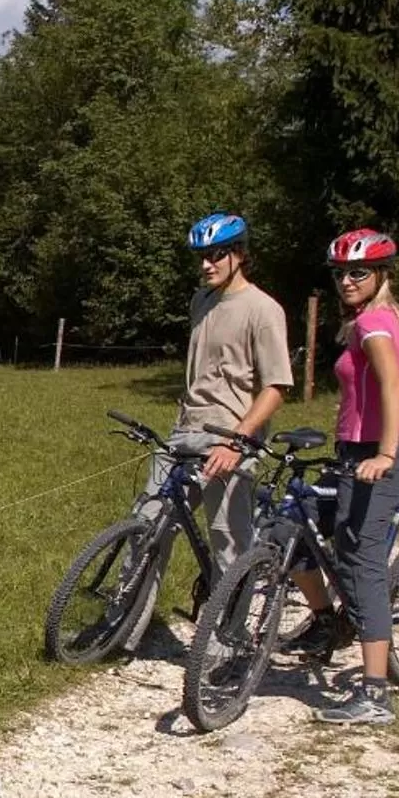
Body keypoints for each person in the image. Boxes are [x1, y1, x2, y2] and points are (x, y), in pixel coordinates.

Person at [291, 229, 399, 725]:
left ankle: (375, 694)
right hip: (354, 453)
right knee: (299, 522)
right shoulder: (392, 321)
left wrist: (390, 454)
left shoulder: (375, 322)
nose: (347, 281)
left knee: (363, 562)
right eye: (340, 273)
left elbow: (396, 386)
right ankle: (328, 623)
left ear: (381, 276)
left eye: (358, 272)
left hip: (371, 455)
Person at [151, 214, 292, 573]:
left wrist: (235, 443)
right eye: (201, 255)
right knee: (149, 525)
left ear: (240, 254)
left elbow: (276, 388)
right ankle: (125, 620)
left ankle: (230, 627)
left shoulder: (263, 309)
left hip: (230, 438)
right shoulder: (202, 300)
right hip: (186, 429)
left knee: (227, 540)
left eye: (215, 255)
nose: (205, 264)